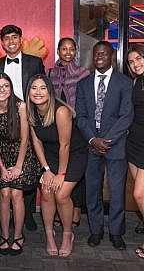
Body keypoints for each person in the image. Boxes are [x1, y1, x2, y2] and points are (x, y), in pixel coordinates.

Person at [76, 41, 134, 250]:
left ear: (111, 57)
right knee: (92, 190)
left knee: (117, 191)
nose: (99, 56)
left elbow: (126, 116)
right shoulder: (83, 83)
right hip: (91, 144)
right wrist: (93, 139)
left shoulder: (125, 83)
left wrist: (106, 141)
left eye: (104, 53)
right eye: (96, 54)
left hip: (115, 145)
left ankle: (116, 232)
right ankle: (96, 230)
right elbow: (80, 116)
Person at [0, 24, 45, 232]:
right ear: (2, 42)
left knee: (30, 166)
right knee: (6, 166)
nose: (11, 42)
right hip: (4, 121)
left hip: (29, 118)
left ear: (21, 39)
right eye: (6, 38)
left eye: (15, 37)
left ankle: (28, 213)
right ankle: (8, 215)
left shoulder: (34, 62)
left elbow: (42, 89)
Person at [27, 74, 87, 257]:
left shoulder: (61, 111)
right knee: (46, 191)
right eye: (34, 88)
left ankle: (68, 235)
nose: (38, 92)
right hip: (49, 155)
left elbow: (65, 145)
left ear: (50, 91)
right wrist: (46, 170)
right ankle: (49, 234)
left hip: (74, 153)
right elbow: (36, 142)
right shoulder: (30, 111)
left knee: (61, 194)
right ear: (28, 91)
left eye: (43, 88)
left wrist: (60, 174)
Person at [0, 72, 38, 255]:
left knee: (16, 193)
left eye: (5, 86)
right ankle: (5, 236)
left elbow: (25, 139)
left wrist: (19, 166)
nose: (1, 90)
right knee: (4, 193)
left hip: (23, 155)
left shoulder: (20, 106)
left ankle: (19, 236)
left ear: (11, 89)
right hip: (2, 157)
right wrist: (3, 168)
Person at [48, 37, 90, 227]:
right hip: (57, 126)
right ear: (58, 51)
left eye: (71, 49)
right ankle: (60, 209)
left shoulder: (83, 73)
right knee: (60, 166)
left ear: (75, 51)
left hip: (78, 127)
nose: (67, 52)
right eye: (63, 49)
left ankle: (76, 210)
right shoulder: (50, 72)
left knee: (76, 169)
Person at [126, 44, 144, 258]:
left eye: (139, 58)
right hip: (134, 142)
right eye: (131, 61)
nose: (136, 64)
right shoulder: (136, 82)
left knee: (139, 194)